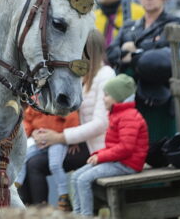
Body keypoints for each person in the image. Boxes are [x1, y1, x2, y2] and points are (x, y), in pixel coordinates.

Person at [19, 30, 114, 205]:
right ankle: (29, 212)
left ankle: (42, 211)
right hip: (75, 141)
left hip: (96, 146)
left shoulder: (105, 75)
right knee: (25, 160)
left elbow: (101, 124)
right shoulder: (80, 76)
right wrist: (41, 132)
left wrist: (60, 137)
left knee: (36, 165)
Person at [107, 0, 180, 145]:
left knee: (159, 146)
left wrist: (130, 53)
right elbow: (111, 52)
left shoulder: (172, 22)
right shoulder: (129, 26)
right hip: (128, 95)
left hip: (157, 94)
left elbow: (161, 56)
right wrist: (142, 51)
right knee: (129, 143)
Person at [70, 74, 148, 216]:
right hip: (118, 161)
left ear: (118, 97)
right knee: (75, 176)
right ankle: (77, 213)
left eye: (106, 95)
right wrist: (99, 154)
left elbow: (126, 148)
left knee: (83, 179)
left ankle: (85, 215)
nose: (103, 98)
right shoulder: (117, 114)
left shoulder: (129, 116)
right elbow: (114, 146)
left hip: (128, 164)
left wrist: (101, 157)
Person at [16, 107, 79, 211]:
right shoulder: (37, 100)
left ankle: (63, 195)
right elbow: (27, 119)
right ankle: (17, 186)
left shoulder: (59, 98)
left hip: (57, 139)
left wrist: (71, 140)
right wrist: (31, 132)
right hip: (39, 139)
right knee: (22, 156)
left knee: (54, 165)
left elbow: (71, 117)